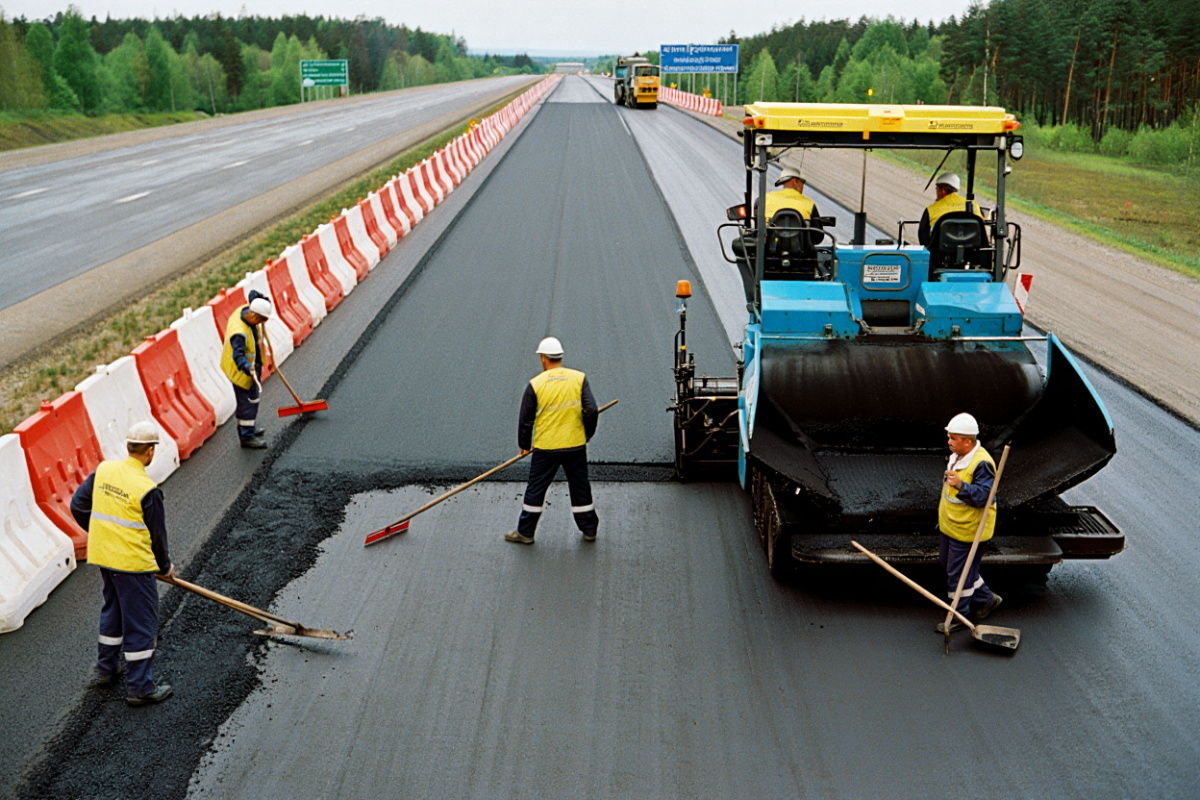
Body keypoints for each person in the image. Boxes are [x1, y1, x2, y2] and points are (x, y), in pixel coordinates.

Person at [70, 421, 175, 705]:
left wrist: (104, 534)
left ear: (129, 446)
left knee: (113, 610)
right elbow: (158, 538)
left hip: (105, 558)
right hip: (133, 566)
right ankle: (140, 687)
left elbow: (77, 505)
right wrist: (165, 568)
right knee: (141, 622)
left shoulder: (104, 470)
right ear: (151, 451)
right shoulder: (146, 489)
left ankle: (106, 669)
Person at [506, 337, 599, 545]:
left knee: (536, 488)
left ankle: (526, 532)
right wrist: (587, 434)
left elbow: (526, 419)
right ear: (560, 357)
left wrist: (524, 445)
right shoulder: (579, 378)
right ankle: (590, 529)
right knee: (580, 487)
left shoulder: (536, 384)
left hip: (546, 447)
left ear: (543, 359)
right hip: (574, 444)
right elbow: (591, 410)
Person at [936, 412, 1003, 634]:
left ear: (968, 440)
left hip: (968, 531)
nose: (949, 442)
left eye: (953, 438)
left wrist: (961, 486)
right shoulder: (957, 455)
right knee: (951, 566)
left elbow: (985, 496)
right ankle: (985, 599)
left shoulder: (982, 463)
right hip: (952, 526)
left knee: (958, 574)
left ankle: (959, 615)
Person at [221, 291, 273, 450]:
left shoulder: (247, 308)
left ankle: (250, 429)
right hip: (241, 371)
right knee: (247, 403)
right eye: (263, 320)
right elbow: (238, 355)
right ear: (255, 317)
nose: (263, 323)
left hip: (252, 365)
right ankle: (246, 437)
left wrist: (265, 300)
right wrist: (247, 368)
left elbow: (253, 294)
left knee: (253, 399)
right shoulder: (239, 333)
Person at [917, 173, 984, 247]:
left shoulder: (931, 210)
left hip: (940, 255)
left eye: (937, 189)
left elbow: (923, 239)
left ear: (943, 190)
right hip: (971, 254)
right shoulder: (975, 206)